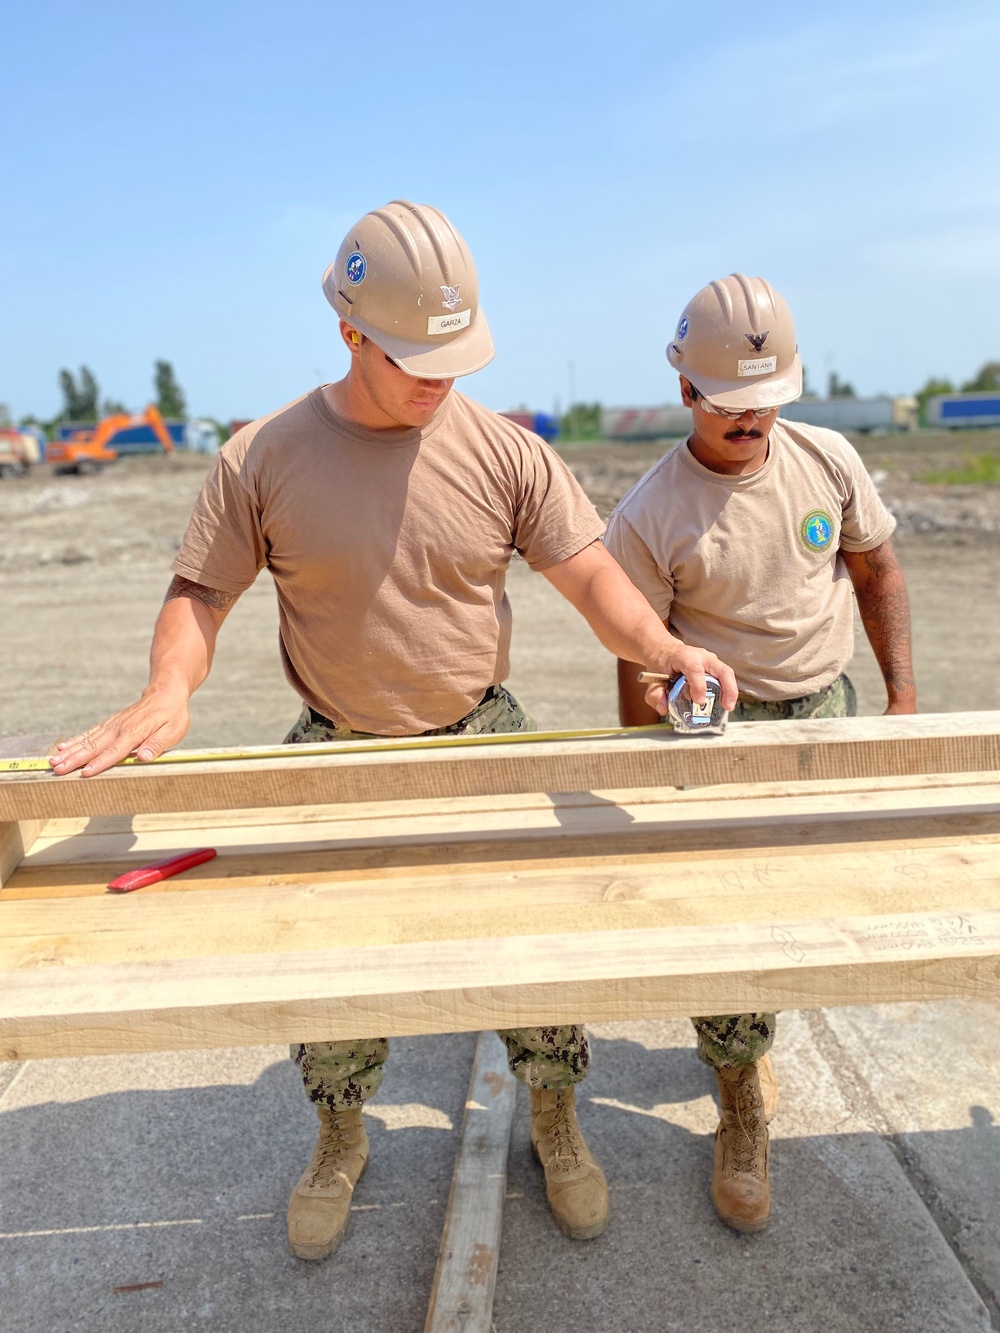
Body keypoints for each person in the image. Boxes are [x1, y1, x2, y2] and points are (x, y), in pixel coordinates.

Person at [50, 200, 737, 1260]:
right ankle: (338, 1130)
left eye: (454, 355)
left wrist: (664, 649)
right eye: (414, 356)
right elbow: (201, 593)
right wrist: (168, 686)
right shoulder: (261, 458)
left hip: (481, 734)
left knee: (539, 945)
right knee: (322, 967)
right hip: (340, 745)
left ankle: (552, 1114)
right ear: (348, 331)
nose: (437, 378)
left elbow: (591, 574)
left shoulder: (503, 452)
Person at [604, 272, 916, 1235]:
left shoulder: (826, 461)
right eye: (731, 403)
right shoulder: (651, 515)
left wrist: (902, 702)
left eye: (766, 400)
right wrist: (651, 761)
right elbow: (635, 658)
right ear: (688, 390)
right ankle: (739, 1093)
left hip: (829, 717)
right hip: (725, 737)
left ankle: (753, 1028)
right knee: (725, 929)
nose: (750, 420)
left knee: (814, 916)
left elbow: (876, 571)